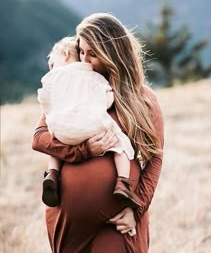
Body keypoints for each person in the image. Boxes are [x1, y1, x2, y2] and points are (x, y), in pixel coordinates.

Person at [32, 13, 164, 253]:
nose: (85, 60)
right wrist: (84, 151)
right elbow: (40, 138)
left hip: (118, 223)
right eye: (82, 52)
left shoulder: (143, 100)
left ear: (113, 53)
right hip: (68, 221)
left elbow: (154, 158)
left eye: (93, 54)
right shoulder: (69, 90)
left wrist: (138, 209)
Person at [37, 36, 141, 209]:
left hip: (60, 128)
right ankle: (123, 182)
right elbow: (107, 97)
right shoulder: (92, 76)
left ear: (64, 54)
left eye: (52, 64)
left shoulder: (52, 78)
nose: (51, 69)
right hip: (92, 127)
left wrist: (52, 115)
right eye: (83, 52)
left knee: (55, 146)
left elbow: (43, 97)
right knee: (117, 143)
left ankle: (52, 174)